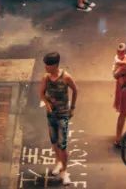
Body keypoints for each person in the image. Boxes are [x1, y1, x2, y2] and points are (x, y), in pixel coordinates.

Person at [39, 52, 78, 186]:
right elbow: (41, 93)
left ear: (55, 65)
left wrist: (72, 108)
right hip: (51, 115)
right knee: (54, 141)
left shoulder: (66, 77)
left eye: (48, 65)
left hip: (63, 115)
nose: (45, 67)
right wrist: (47, 103)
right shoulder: (46, 78)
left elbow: (75, 90)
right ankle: (59, 162)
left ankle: (65, 171)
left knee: (63, 145)